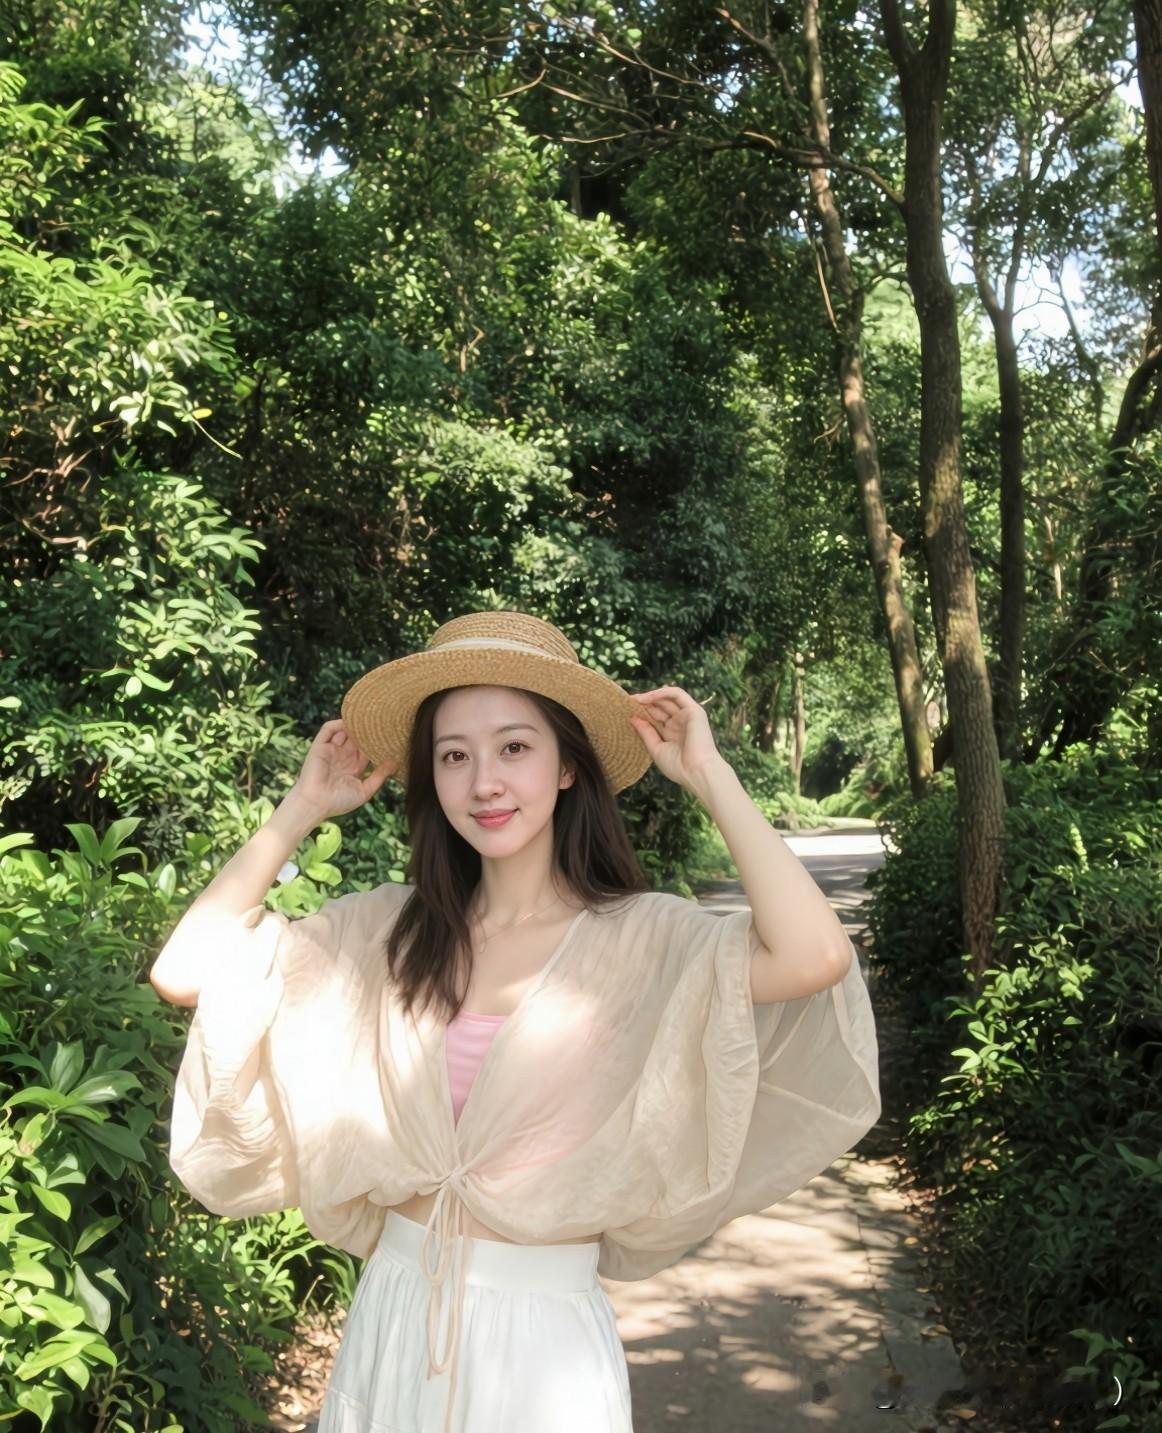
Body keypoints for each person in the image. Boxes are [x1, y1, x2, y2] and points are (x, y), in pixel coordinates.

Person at [151, 610, 881, 1433]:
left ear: (568, 765)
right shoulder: (387, 931)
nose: (484, 783)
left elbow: (816, 955)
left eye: (514, 747)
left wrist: (710, 775)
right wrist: (300, 809)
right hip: (394, 1318)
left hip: (544, 1352)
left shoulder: (643, 938)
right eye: (454, 755)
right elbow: (183, 972)